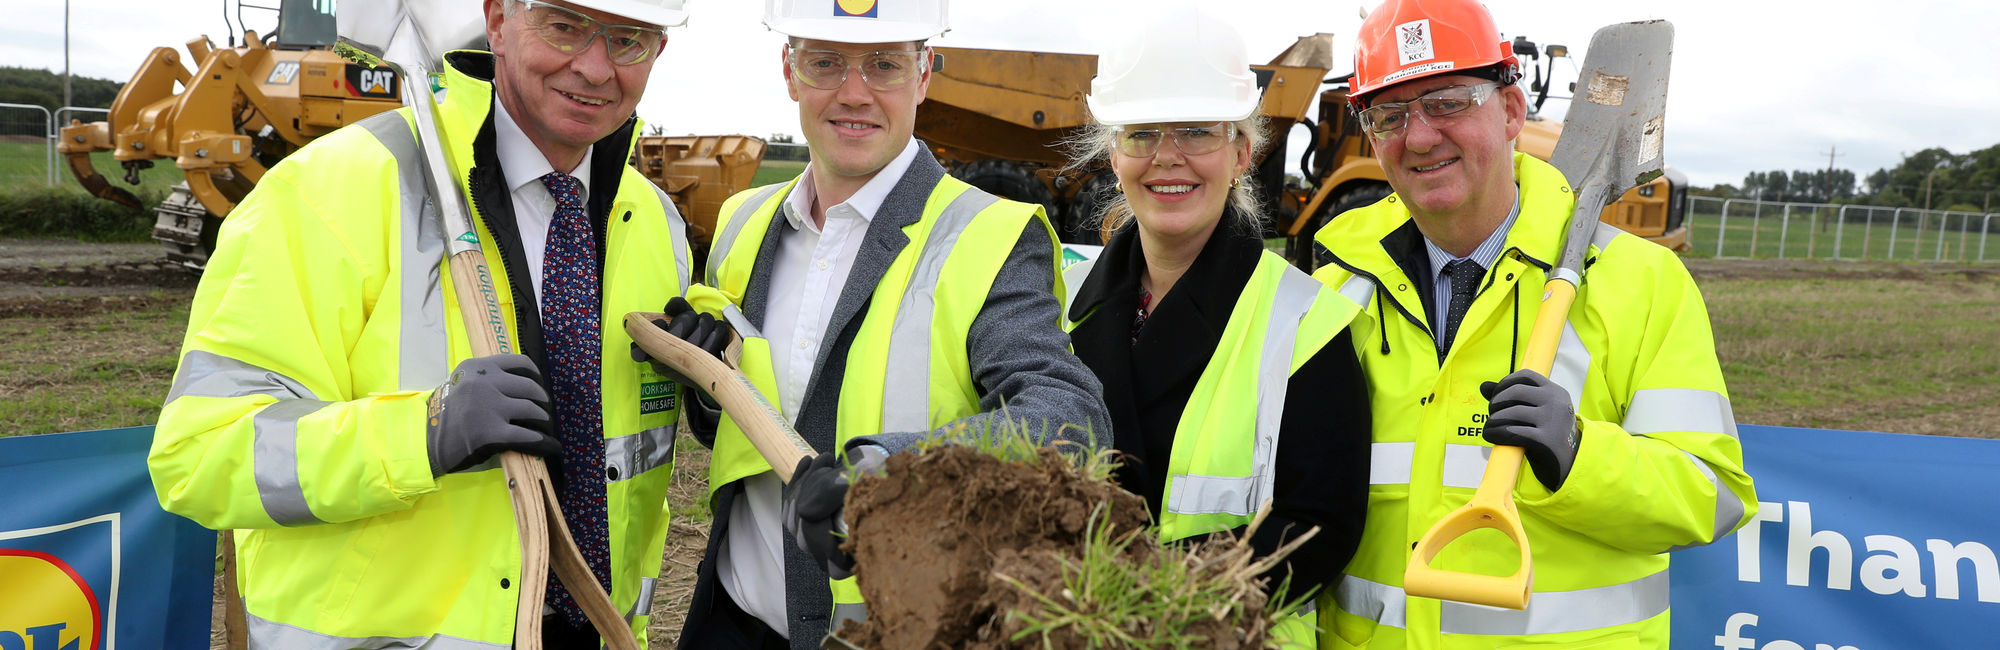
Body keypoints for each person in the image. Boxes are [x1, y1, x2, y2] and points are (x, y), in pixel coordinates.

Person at [147, 0, 696, 647]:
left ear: (659, 51)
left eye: (629, 39)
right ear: (496, 20)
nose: (597, 68)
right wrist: (421, 432)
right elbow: (200, 454)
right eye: (565, 26)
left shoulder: (657, 224)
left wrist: (708, 372)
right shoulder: (327, 192)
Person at [649, 1, 1109, 647]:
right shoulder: (743, 220)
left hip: (888, 632)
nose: (854, 93)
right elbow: (731, 429)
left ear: (923, 77)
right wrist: (707, 381)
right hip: (735, 618)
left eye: (885, 65)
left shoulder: (989, 236)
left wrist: (889, 473)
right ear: (790, 71)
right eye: (826, 62)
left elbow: (1067, 418)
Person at [1308, 0, 1757, 647]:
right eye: (1390, 114)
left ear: (1512, 110)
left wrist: (1578, 455)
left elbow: (1713, 496)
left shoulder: (1643, 284)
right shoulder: (1331, 298)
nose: (1421, 135)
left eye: (1447, 102)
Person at [1058, 7, 1370, 648]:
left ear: (1240, 153)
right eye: (1142, 133)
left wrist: (1134, 593)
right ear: (1112, 154)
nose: (1167, 159)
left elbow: (1319, 529)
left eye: (1196, 132)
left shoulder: (1306, 322)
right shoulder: (1061, 310)